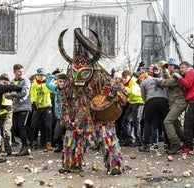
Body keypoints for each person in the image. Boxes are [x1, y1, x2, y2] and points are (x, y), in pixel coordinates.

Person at [57, 28, 128, 175]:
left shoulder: (100, 75)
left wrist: (110, 95)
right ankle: (71, 165)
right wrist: (66, 116)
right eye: (76, 72)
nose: (79, 78)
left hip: (99, 114)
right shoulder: (70, 75)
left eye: (83, 72)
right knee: (73, 137)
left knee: (107, 137)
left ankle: (115, 165)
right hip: (79, 115)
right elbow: (65, 97)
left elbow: (118, 89)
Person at [157, 59, 186, 154]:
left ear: (175, 66)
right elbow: (168, 79)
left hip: (178, 102)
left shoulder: (176, 73)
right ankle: (186, 141)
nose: (168, 67)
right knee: (176, 123)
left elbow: (168, 83)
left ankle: (175, 144)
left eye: (170, 66)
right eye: (168, 66)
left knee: (167, 121)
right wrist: (164, 71)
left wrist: (158, 81)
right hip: (175, 103)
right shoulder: (172, 73)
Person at [137, 73, 169, 152]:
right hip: (163, 100)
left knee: (148, 122)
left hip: (151, 100)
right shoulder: (160, 79)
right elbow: (166, 90)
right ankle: (168, 144)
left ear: (144, 77)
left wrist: (147, 102)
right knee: (165, 122)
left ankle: (147, 145)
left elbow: (143, 95)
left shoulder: (143, 83)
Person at [5, 64, 32, 156]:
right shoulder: (12, 82)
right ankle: (26, 143)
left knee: (21, 126)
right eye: (19, 71)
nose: (21, 73)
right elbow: (10, 92)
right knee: (14, 128)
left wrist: (12, 95)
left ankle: (25, 146)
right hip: (16, 107)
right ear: (14, 72)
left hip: (25, 106)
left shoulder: (25, 81)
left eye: (22, 71)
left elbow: (24, 93)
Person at [29, 68, 53, 151]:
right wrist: (33, 101)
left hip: (47, 106)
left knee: (48, 125)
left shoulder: (47, 84)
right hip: (38, 107)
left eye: (43, 75)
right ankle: (30, 143)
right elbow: (32, 94)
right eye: (40, 75)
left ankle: (48, 143)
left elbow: (53, 89)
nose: (41, 77)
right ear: (37, 75)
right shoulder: (34, 84)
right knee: (33, 125)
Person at [120, 70, 144, 147]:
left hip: (138, 102)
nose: (124, 79)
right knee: (125, 120)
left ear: (130, 77)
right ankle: (128, 139)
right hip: (132, 102)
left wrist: (124, 88)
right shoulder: (127, 83)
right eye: (123, 78)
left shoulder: (134, 82)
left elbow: (133, 92)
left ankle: (139, 140)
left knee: (136, 121)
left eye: (125, 78)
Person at [46, 72, 66, 152]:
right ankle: (60, 146)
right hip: (59, 117)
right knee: (57, 136)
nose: (62, 83)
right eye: (60, 81)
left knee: (70, 135)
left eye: (64, 82)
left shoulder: (70, 90)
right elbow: (48, 84)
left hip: (69, 118)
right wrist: (54, 75)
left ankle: (68, 149)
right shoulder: (56, 89)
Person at [0, 73, 14, 156]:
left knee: (6, 131)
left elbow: (17, 98)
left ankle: (8, 150)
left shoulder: (10, 89)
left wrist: (12, 105)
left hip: (8, 113)